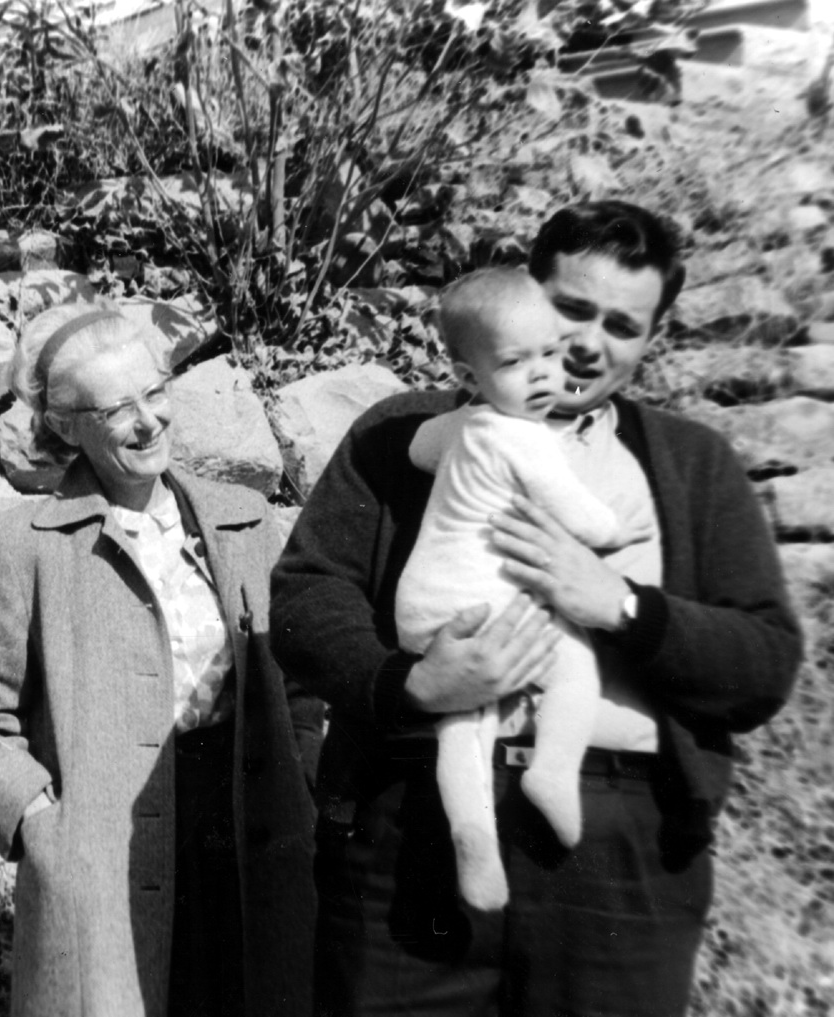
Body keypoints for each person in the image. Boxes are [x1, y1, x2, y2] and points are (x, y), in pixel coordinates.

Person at [270, 200, 802, 1017]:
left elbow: (763, 662)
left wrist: (621, 606)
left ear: (651, 337)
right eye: (571, 309)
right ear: (526, 292)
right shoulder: (406, 432)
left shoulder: (694, 464)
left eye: (622, 325)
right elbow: (308, 592)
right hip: (412, 831)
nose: (587, 342)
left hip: (617, 851)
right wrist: (406, 683)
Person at [0, 303, 322, 1017]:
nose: (149, 422)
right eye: (118, 409)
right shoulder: (28, 544)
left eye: (156, 392)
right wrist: (40, 824)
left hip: (250, 821)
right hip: (105, 849)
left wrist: (302, 771)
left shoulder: (241, 518)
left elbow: (294, 673)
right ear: (65, 427)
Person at [392, 268, 652, 912]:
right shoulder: (525, 438)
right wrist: (613, 530)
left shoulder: (462, 424)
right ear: (468, 374)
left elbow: (419, 451)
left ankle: (471, 831)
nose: (541, 375)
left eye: (549, 354)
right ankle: (553, 771)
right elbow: (581, 517)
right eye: (514, 362)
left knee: (462, 720)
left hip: (424, 608)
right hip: (488, 598)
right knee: (574, 667)